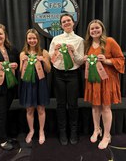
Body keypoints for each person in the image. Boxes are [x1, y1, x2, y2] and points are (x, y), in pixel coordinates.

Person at [83, 19, 125, 149]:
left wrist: (106, 61)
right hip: (93, 81)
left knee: (106, 108)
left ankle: (107, 135)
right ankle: (97, 129)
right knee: (95, 106)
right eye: (92, 29)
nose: (94, 30)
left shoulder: (110, 42)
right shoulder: (88, 45)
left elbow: (121, 60)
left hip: (107, 80)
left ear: (102, 29)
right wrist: (85, 60)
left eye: (97, 28)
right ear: (89, 32)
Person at [49, 13, 84, 145]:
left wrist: (74, 51)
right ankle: (62, 131)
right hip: (58, 74)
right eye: (63, 22)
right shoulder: (56, 39)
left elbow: (80, 61)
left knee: (73, 104)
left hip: (73, 75)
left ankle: (74, 131)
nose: (66, 23)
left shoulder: (79, 40)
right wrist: (56, 51)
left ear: (73, 22)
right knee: (60, 104)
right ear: (61, 25)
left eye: (68, 20)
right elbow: (51, 59)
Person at [19, 29, 51, 145]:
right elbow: (21, 72)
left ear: (38, 39)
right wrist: (22, 63)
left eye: (34, 38)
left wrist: (43, 60)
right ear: (26, 40)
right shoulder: (23, 53)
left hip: (40, 83)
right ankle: (31, 130)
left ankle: (41, 131)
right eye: (30, 38)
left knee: (41, 109)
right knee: (29, 109)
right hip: (28, 84)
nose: (32, 40)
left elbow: (48, 70)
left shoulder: (44, 52)